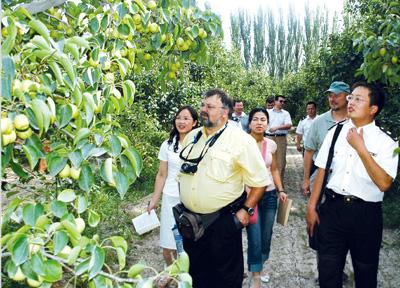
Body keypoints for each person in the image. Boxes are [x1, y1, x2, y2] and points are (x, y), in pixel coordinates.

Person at [306, 81, 398, 288]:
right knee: (328, 272)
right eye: (351, 97)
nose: (351, 102)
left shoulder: (387, 142)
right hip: (332, 209)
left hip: (365, 215)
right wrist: (312, 207)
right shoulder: (335, 132)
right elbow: (321, 169)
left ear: (373, 109)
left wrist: (361, 149)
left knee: (365, 273)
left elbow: (384, 183)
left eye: (358, 99)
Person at [178, 89, 271, 288]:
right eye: (202, 105)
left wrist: (246, 210)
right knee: (196, 275)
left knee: (225, 279)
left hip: (222, 224)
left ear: (225, 112)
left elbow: (260, 181)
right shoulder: (192, 136)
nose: (203, 110)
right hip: (191, 224)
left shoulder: (241, 140)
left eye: (210, 107)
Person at [147, 106, 198, 265]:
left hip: (192, 199)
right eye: (178, 118)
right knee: (168, 245)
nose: (181, 121)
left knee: (188, 243)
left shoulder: (199, 145)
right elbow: (162, 175)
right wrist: (154, 200)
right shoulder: (167, 145)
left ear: (195, 122)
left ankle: (185, 275)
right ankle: (170, 271)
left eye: (186, 118)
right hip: (170, 198)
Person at [246, 107, 288, 288]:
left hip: (270, 195)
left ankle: (261, 265)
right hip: (250, 197)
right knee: (254, 237)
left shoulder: (271, 144)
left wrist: (281, 190)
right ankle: (255, 274)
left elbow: (275, 169)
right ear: (249, 123)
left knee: (266, 235)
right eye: (255, 119)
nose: (259, 122)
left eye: (263, 119)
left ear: (268, 123)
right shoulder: (243, 143)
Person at [302, 82, 349, 196]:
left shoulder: (356, 121)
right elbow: (309, 152)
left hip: (347, 178)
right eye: (330, 96)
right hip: (321, 176)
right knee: (317, 211)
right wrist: (306, 179)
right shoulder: (319, 122)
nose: (332, 99)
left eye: (337, 95)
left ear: (348, 97)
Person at [266, 95, 292, 180]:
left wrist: (277, 128)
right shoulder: (267, 112)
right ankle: (268, 184)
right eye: (281, 101)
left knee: (281, 162)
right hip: (269, 138)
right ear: (275, 101)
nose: (282, 103)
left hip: (281, 139)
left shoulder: (286, 113)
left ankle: (279, 185)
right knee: (268, 160)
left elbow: (289, 125)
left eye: (284, 102)